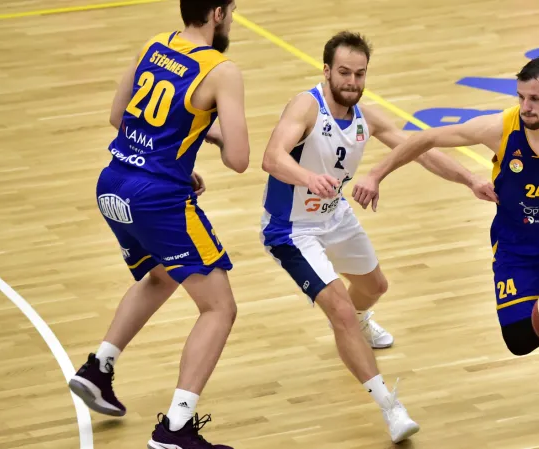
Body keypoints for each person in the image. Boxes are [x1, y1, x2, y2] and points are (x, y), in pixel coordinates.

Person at [351, 57, 539, 422]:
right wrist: (375, 174)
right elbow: (427, 138)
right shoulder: (500, 129)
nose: (526, 107)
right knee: (517, 340)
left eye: (535, 99)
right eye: (521, 98)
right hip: (517, 240)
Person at [259, 30, 496, 443]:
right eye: (344, 73)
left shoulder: (366, 115)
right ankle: (390, 406)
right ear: (327, 71)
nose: (352, 81)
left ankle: (362, 322)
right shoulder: (306, 106)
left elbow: (419, 149)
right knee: (341, 312)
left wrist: (470, 179)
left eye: (360, 74)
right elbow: (272, 157)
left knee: (374, 287)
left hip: (336, 216)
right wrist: (308, 178)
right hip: (292, 229)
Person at [68, 1, 249, 447]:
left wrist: (182, 147)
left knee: (162, 274)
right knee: (220, 308)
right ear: (219, 13)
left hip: (113, 183)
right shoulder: (222, 70)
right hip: (157, 199)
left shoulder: (153, 45)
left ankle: (98, 367)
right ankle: (175, 429)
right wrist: (213, 130)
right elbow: (240, 159)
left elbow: (119, 117)